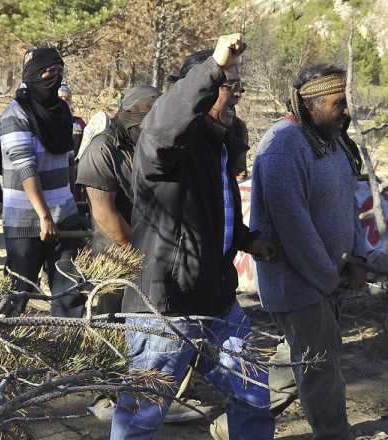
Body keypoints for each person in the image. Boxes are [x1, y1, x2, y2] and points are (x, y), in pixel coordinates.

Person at [110, 34, 277, 440]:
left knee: (252, 392)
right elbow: (164, 123)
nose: (237, 96)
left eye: (239, 85)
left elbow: (213, 214)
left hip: (218, 302)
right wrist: (212, 67)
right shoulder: (166, 149)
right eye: (229, 85)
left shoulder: (219, 149)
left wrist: (246, 240)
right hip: (165, 306)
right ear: (201, 92)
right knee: (141, 418)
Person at [250, 64, 372, 440]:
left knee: (296, 363)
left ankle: (236, 422)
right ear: (312, 104)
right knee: (322, 370)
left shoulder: (331, 140)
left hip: (325, 277)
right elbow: (293, 227)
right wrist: (328, 278)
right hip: (298, 282)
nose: (346, 111)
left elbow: (348, 204)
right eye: (338, 104)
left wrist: (357, 256)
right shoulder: (283, 146)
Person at [0, 47, 86, 317]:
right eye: (48, 71)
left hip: (65, 217)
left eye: (59, 71)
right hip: (27, 222)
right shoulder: (16, 114)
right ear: (32, 75)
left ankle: (69, 352)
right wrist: (44, 216)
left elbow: (68, 162)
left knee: (69, 294)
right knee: (18, 292)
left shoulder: (62, 112)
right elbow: (26, 169)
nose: (54, 78)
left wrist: (72, 205)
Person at [76, 85, 161, 248]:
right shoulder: (101, 149)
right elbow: (104, 214)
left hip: (153, 248)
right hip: (117, 255)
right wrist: (140, 253)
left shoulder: (146, 143)